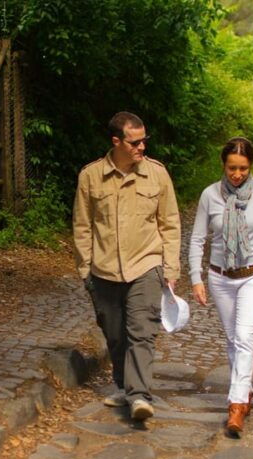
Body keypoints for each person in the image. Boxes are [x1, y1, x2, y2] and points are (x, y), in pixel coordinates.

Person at [73, 111, 181, 421]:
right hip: (104, 269)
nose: (142, 147)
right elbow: (82, 226)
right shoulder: (90, 176)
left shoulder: (157, 174)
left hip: (146, 265)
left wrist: (170, 269)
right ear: (116, 141)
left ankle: (139, 396)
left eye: (145, 141)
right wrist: (85, 270)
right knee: (115, 333)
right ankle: (123, 385)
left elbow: (170, 224)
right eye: (135, 142)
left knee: (142, 331)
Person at [188, 137, 253, 436]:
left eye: (243, 168)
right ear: (223, 165)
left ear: (251, 166)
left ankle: (236, 405)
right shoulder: (210, 195)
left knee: (245, 336)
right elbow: (197, 239)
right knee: (233, 339)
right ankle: (244, 389)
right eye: (232, 168)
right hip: (220, 276)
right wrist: (196, 277)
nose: (237, 174)